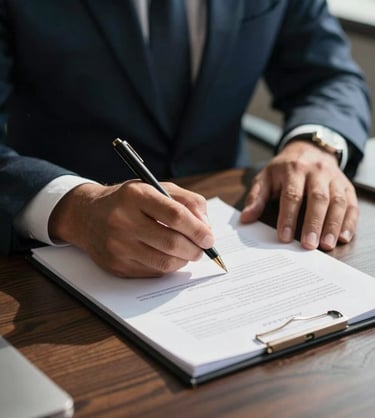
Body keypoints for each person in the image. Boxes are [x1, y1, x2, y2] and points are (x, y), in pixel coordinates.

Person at [0, 0, 371, 277]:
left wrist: (315, 142)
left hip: (234, 219)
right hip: (54, 264)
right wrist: (74, 210)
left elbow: (328, 78)